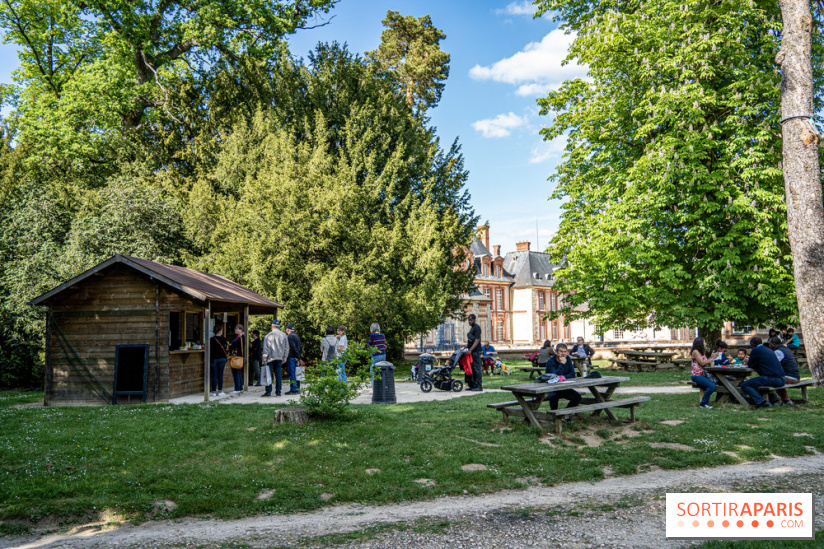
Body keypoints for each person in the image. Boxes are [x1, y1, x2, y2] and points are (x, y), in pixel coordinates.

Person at [740, 336, 785, 408]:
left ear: (753, 344)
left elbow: (751, 365)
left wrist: (748, 361)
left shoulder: (755, 350)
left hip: (773, 379)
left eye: (751, 345)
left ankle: (762, 402)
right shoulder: (768, 349)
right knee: (758, 382)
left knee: (745, 385)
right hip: (782, 379)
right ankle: (775, 400)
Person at [544, 344, 581, 410]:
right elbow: (555, 377)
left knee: (577, 397)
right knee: (553, 397)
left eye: (565, 352)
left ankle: (565, 414)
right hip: (553, 388)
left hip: (564, 387)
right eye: (561, 351)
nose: (563, 354)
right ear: (556, 352)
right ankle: (554, 414)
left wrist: (562, 377)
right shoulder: (550, 362)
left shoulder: (568, 359)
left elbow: (572, 374)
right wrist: (562, 364)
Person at [767, 336, 800, 406]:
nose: (769, 346)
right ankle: (786, 400)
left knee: (768, 380)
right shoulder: (786, 349)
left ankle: (777, 401)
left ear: (774, 344)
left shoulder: (778, 351)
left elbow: (772, 364)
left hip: (790, 377)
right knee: (776, 379)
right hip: (795, 376)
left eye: (770, 344)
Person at [261, 319, 289, 397]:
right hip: (279, 358)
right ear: (279, 326)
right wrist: (285, 357)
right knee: (278, 375)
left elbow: (266, 348)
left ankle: (268, 392)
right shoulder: (284, 335)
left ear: (272, 326)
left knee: (268, 375)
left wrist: (264, 358)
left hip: (270, 358)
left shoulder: (268, 335)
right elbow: (287, 347)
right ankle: (278, 392)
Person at [690, 337, 718, 409]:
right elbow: (702, 363)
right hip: (697, 375)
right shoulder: (695, 352)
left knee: (719, 381)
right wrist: (712, 358)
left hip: (703, 374)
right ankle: (703, 403)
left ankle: (718, 400)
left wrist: (711, 357)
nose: (705, 344)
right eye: (704, 342)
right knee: (712, 386)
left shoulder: (702, 353)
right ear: (700, 343)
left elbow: (706, 362)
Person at [209, 325, 228, 397]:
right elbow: (226, 348)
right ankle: (220, 391)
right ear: (220, 331)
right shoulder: (224, 340)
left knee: (214, 375)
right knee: (220, 375)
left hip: (214, 359)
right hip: (222, 358)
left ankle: (213, 391)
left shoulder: (211, 340)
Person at [466, 314, 483, 391]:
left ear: (474, 320)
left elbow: (477, 340)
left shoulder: (477, 327)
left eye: (471, 320)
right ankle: (473, 385)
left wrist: (471, 349)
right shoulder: (472, 328)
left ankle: (479, 386)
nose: (470, 321)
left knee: (477, 368)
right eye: (469, 320)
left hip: (476, 351)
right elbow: (471, 341)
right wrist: (467, 347)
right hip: (472, 352)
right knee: (472, 368)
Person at [285, 324, 302, 395]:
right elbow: (300, 347)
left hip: (292, 357)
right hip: (296, 357)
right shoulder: (296, 336)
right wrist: (299, 357)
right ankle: (297, 388)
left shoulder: (290, 337)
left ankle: (293, 389)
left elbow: (293, 347)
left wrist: (296, 356)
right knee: (297, 373)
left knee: (292, 373)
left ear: (288, 330)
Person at [228, 324, 245, 393]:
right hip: (237, 356)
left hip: (237, 357)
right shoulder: (238, 337)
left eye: (236, 329)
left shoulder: (241, 338)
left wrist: (230, 345)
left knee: (236, 372)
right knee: (238, 372)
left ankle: (237, 388)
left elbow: (234, 346)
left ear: (240, 330)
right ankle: (240, 387)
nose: (235, 330)